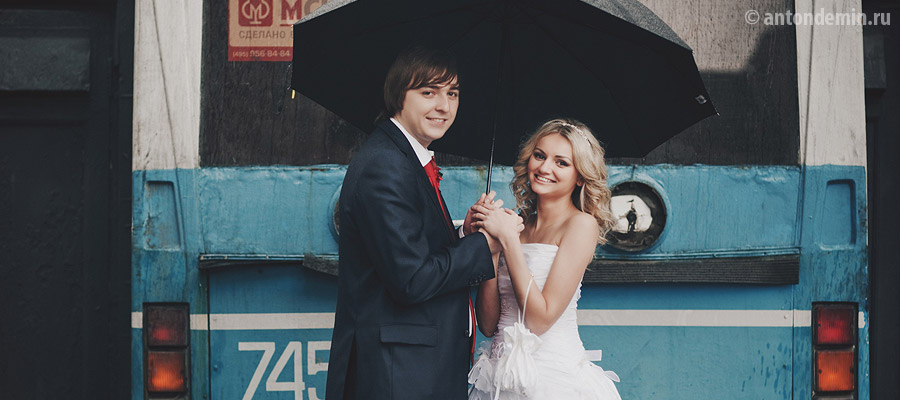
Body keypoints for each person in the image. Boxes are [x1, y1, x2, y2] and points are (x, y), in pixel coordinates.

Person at [325, 45, 523, 400]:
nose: (444, 106)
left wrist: (466, 234)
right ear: (398, 95)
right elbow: (411, 279)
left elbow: (413, 251)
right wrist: (486, 244)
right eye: (429, 92)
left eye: (453, 93)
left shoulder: (401, 157)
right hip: (398, 375)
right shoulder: (386, 165)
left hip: (414, 369)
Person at [467, 119, 622, 400]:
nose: (544, 168)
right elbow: (488, 325)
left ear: (580, 176)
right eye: (539, 155)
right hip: (499, 381)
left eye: (561, 162)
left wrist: (508, 240)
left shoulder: (581, 225)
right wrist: (491, 249)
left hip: (554, 381)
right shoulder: (517, 225)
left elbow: (540, 321)